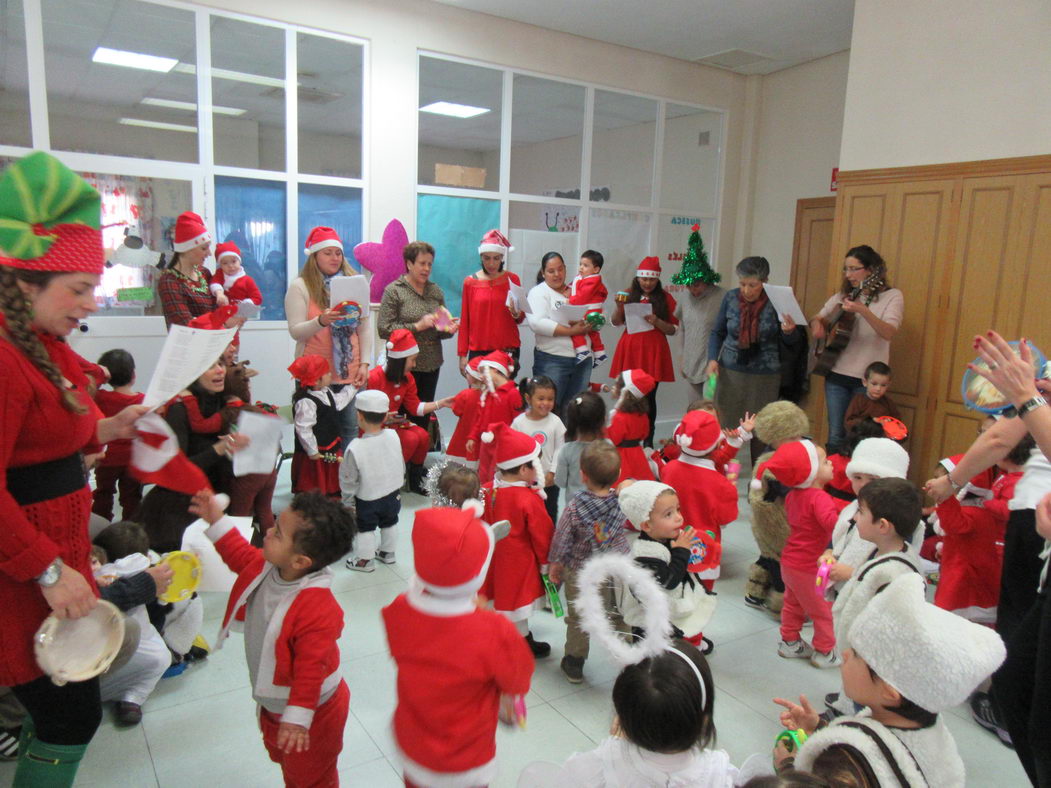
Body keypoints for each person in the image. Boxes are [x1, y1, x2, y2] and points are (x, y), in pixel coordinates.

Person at [0, 152, 147, 785]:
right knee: (69, 716)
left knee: (60, 706)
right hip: (25, 569)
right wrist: (49, 569)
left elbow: (53, 433)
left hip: (55, 558)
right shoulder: (6, 358)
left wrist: (109, 429)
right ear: (26, 283)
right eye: (79, 288)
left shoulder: (47, 344)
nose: (88, 304)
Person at [922, 331, 1051, 777]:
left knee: (1029, 689)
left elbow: (1005, 436)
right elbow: (999, 436)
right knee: (1017, 679)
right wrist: (952, 483)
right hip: (1036, 533)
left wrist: (1029, 400)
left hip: (1036, 534)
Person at [190, 489, 354, 788]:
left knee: (312, 778)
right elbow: (237, 552)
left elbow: (311, 666)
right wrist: (215, 518)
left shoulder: (317, 608)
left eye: (278, 533)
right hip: (277, 706)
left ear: (301, 561)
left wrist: (299, 716)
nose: (268, 531)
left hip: (315, 712)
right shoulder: (269, 568)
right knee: (287, 764)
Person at [775, 573, 1005, 786]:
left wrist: (787, 767)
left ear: (890, 691)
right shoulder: (933, 734)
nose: (844, 654)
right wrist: (819, 728)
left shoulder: (843, 759)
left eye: (857, 654)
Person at [382, 506, 534, 788]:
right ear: (479, 574)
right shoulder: (493, 630)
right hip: (467, 756)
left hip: (414, 746)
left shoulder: (398, 610)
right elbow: (517, 677)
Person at [138, 359, 250, 553]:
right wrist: (220, 449)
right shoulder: (179, 409)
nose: (219, 371)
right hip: (178, 512)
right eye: (210, 366)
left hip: (214, 503)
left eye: (221, 365)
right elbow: (176, 472)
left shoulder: (223, 404)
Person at [752, 440, 840, 667]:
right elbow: (833, 525)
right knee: (823, 609)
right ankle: (825, 650)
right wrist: (849, 517)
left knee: (793, 604)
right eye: (823, 461)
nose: (830, 463)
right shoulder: (819, 498)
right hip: (815, 567)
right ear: (810, 472)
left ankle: (790, 642)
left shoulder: (793, 495)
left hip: (790, 563)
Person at [809, 245, 903, 454]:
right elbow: (818, 317)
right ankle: (832, 480)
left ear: (870, 271)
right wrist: (817, 328)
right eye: (846, 269)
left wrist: (862, 309)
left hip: (868, 380)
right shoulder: (844, 295)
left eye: (854, 269)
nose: (848, 274)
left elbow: (888, 332)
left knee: (862, 435)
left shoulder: (893, 296)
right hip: (836, 373)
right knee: (835, 434)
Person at [285, 226, 373, 448]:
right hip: (315, 374)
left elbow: (363, 327)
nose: (335, 258)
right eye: (328, 253)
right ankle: (320, 482)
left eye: (338, 252)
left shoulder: (355, 282)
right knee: (316, 431)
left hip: (350, 371)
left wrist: (364, 364)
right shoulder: (300, 286)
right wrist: (321, 321)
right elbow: (296, 331)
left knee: (350, 429)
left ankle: (347, 479)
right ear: (314, 256)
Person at [547, 442, 628, 683]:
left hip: (580, 573)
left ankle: (574, 662)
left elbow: (562, 538)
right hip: (612, 570)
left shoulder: (574, 506)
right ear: (618, 474)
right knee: (617, 612)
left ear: (583, 476)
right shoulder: (620, 502)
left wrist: (556, 564)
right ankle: (629, 654)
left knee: (579, 617)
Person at [707, 256, 801, 464]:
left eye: (753, 285)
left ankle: (758, 476)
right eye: (742, 284)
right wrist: (713, 359)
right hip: (731, 372)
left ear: (765, 281)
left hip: (765, 376)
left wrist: (789, 331)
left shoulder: (778, 301)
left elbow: (793, 342)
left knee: (761, 427)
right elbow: (717, 332)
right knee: (726, 425)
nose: (747, 290)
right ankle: (720, 470)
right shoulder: (730, 298)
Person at [931, 436, 1030, 624]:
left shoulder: (975, 510)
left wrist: (943, 499)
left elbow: (953, 524)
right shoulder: (1003, 480)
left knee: (961, 618)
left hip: (967, 575)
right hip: (966, 564)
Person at [479, 423, 555, 657]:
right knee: (514, 604)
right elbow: (542, 534)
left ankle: (495, 635)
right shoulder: (528, 499)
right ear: (524, 470)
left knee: (498, 598)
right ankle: (520, 642)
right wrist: (546, 562)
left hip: (492, 560)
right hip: (518, 564)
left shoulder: (487, 489)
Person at [616, 481, 714, 651]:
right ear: (647, 525)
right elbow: (668, 581)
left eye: (678, 509)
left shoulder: (667, 536)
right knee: (653, 654)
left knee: (673, 643)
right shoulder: (645, 554)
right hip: (649, 620)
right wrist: (682, 552)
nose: (678, 517)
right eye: (668, 514)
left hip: (668, 613)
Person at [92, 522, 172, 727]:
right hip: (118, 645)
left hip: (125, 645)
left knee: (157, 656)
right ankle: (132, 698)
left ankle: (129, 697)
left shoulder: (100, 572)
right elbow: (158, 614)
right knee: (160, 659)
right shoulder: (143, 568)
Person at [378, 241, 459, 435]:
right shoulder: (394, 291)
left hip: (431, 363)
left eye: (430, 264)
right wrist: (417, 326)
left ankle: (417, 460)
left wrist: (449, 329)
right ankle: (400, 460)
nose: (426, 268)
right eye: (422, 263)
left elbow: (439, 330)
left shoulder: (435, 291)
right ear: (409, 263)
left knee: (422, 416)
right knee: (402, 417)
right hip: (404, 366)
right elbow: (384, 329)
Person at [661, 410, 739, 596]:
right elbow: (726, 517)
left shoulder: (669, 469)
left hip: (671, 542)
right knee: (700, 599)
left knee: (672, 593)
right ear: (716, 446)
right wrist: (730, 489)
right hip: (704, 546)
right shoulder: (719, 483)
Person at [745, 401, 811, 615]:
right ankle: (783, 605)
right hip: (776, 523)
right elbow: (789, 493)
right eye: (792, 438)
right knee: (782, 562)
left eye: (800, 436)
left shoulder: (775, 455)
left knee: (768, 556)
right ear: (774, 438)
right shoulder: (776, 464)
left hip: (765, 523)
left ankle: (756, 591)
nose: (799, 442)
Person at [368, 329, 453, 494]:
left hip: (393, 424)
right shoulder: (374, 377)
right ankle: (392, 478)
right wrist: (383, 417)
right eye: (412, 360)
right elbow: (364, 414)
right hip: (375, 426)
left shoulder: (408, 378)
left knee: (423, 435)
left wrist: (440, 404)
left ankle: (414, 481)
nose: (415, 364)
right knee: (411, 439)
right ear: (400, 361)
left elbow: (415, 407)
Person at [610, 256, 679, 447]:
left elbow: (673, 329)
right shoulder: (626, 294)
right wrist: (618, 306)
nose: (647, 283)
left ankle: (648, 441)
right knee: (627, 394)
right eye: (644, 279)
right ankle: (625, 437)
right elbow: (615, 322)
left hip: (653, 350)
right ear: (638, 278)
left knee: (649, 396)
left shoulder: (665, 298)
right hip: (630, 348)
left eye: (652, 280)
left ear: (657, 280)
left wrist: (657, 321)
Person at [341, 390, 405, 573]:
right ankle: (388, 553)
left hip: (367, 498)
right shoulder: (393, 435)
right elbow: (399, 462)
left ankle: (365, 561)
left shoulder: (355, 448)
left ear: (359, 416)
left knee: (365, 529)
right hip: (393, 494)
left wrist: (348, 501)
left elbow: (349, 480)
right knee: (390, 522)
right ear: (385, 415)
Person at [526, 252, 594, 415]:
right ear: (543, 273)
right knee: (547, 409)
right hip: (553, 359)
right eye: (551, 271)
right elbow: (537, 323)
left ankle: (568, 441)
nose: (557, 274)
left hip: (582, 360)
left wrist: (593, 321)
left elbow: (595, 311)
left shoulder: (577, 290)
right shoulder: (538, 292)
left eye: (560, 269)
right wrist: (571, 331)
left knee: (575, 411)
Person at [457, 229, 524, 374]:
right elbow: (465, 321)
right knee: (478, 395)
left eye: (496, 258)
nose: (491, 263)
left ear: (502, 258)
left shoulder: (513, 279)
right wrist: (462, 354)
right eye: (487, 258)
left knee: (504, 394)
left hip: (507, 350)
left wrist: (516, 313)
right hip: (478, 351)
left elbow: (520, 317)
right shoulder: (470, 282)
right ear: (481, 257)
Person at [289, 354, 355, 499]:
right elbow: (303, 428)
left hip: (330, 446)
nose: (330, 374)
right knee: (314, 483)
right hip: (315, 453)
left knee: (330, 481)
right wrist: (312, 450)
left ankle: (330, 501)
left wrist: (353, 387)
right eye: (327, 372)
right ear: (317, 379)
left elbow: (338, 402)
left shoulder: (326, 392)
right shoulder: (306, 402)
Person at [672, 225, 726, 400]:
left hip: (713, 366)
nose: (692, 290)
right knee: (693, 410)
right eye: (688, 285)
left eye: (697, 285)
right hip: (690, 364)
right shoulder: (685, 298)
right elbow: (682, 329)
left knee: (709, 409)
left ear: (706, 280)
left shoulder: (723, 296)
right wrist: (681, 358)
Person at [91, 348, 145, 521]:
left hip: (106, 458)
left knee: (103, 494)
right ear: (133, 374)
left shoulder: (100, 397)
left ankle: (101, 525)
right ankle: (131, 529)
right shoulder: (143, 400)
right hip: (133, 458)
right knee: (132, 497)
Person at [512, 375, 566, 525]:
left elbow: (559, 450)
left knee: (549, 513)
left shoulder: (556, 422)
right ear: (528, 398)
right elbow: (513, 448)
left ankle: (549, 542)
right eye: (541, 398)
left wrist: (552, 472)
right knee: (527, 513)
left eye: (550, 399)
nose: (546, 403)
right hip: (525, 480)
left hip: (549, 480)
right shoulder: (519, 423)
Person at [467, 350, 523, 484]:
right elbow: (479, 419)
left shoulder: (513, 394)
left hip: (504, 444)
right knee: (484, 473)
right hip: (486, 444)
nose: (481, 376)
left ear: (497, 371)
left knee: (497, 476)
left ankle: (495, 501)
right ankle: (485, 500)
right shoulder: (487, 394)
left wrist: (514, 445)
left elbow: (519, 422)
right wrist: (472, 437)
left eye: (484, 371)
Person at [158, 210, 218, 327]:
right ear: (187, 248)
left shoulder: (204, 273)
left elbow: (219, 311)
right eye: (204, 248)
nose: (209, 253)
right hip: (188, 343)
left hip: (214, 342)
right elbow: (185, 324)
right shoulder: (169, 281)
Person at [553, 391, 608, 505]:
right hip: (602, 507)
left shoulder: (566, 450)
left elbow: (561, 482)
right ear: (602, 419)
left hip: (575, 509)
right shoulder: (608, 446)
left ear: (572, 421)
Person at [608, 369, 658, 485]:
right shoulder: (642, 414)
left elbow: (614, 439)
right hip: (638, 455)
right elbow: (645, 433)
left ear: (625, 392)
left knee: (621, 484)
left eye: (617, 385)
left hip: (621, 457)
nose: (613, 387)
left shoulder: (618, 417)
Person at [567, 250, 609, 365]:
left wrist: (569, 300)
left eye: (585, 265)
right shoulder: (589, 279)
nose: (581, 268)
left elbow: (581, 298)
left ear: (596, 269)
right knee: (593, 333)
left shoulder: (591, 281)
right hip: (594, 310)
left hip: (589, 310)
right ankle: (600, 354)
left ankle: (582, 350)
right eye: (580, 264)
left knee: (576, 327)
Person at [445, 355, 484, 468]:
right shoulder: (490, 396)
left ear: (472, 377)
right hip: (482, 437)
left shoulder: (465, 394)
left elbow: (457, 411)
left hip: (464, 434)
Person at [843, 361, 900, 432]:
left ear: (888, 385)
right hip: (861, 438)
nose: (878, 389)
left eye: (883, 385)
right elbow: (848, 422)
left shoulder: (888, 403)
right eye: (874, 384)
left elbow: (898, 423)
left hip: (881, 440)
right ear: (865, 382)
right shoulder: (858, 400)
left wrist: (889, 422)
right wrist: (871, 422)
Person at [209, 241, 262, 307]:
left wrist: (247, 303)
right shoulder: (219, 274)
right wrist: (219, 294)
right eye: (225, 263)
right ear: (220, 265)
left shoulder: (247, 280)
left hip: (241, 314)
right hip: (222, 313)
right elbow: (215, 283)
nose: (230, 266)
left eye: (234, 261)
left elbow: (258, 298)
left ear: (239, 261)